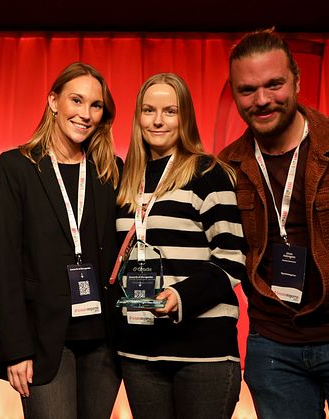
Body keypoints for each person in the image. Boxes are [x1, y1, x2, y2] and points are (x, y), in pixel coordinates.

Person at [218, 28, 329, 418]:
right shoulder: (227, 166)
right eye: (247, 90)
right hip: (273, 345)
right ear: (233, 94)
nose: (262, 100)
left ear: (297, 81)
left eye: (274, 84)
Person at [0, 62, 122, 419]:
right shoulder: (16, 166)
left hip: (104, 341)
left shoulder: (111, 171)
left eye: (95, 105)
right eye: (76, 101)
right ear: (53, 101)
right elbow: (5, 262)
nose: (85, 114)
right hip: (43, 340)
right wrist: (15, 347)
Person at [114, 72, 246, 419]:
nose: (157, 121)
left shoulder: (208, 173)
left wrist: (180, 297)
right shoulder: (125, 179)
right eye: (148, 110)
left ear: (184, 116)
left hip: (203, 353)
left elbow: (232, 258)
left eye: (169, 111)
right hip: (139, 353)